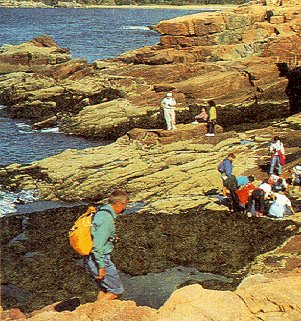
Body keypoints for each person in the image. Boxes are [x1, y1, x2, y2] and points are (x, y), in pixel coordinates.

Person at [84, 189, 129, 301]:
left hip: (91, 258)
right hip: (100, 260)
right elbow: (98, 246)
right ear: (119, 204)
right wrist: (101, 267)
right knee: (116, 291)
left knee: (104, 288)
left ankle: (96, 312)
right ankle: (96, 314)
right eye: (125, 205)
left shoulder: (102, 210)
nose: (125, 208)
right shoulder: (107, 219)